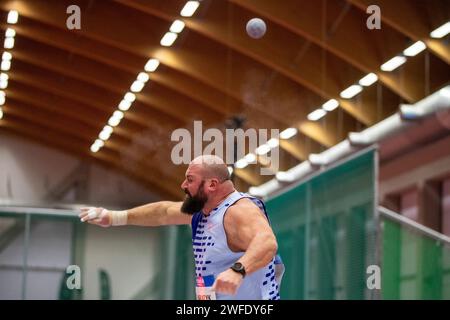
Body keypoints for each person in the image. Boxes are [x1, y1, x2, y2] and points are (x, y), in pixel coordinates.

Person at [79, 155, 284, 300]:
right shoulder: (205, 211)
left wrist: (237, 271)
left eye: (190, 179)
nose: (183, 185)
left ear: (212, 185)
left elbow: (267, 242)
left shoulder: (239, 210)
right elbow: (163, 212)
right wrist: (113, 217)